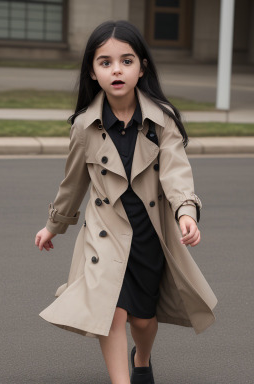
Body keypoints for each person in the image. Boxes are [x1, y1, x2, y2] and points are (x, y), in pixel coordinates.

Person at [35, 20, 217, 384]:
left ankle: (143, 359)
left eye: (126, 60)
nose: (116, 69)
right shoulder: (84, 126)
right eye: (105, 62)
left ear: (141, 67)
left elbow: (177, 173)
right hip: (106, 233)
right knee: (113, 314)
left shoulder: (161, 120)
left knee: (143, 319)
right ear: (92, 71)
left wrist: (186, 212)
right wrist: (53, 225)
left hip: (149, 233)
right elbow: (72, 185)